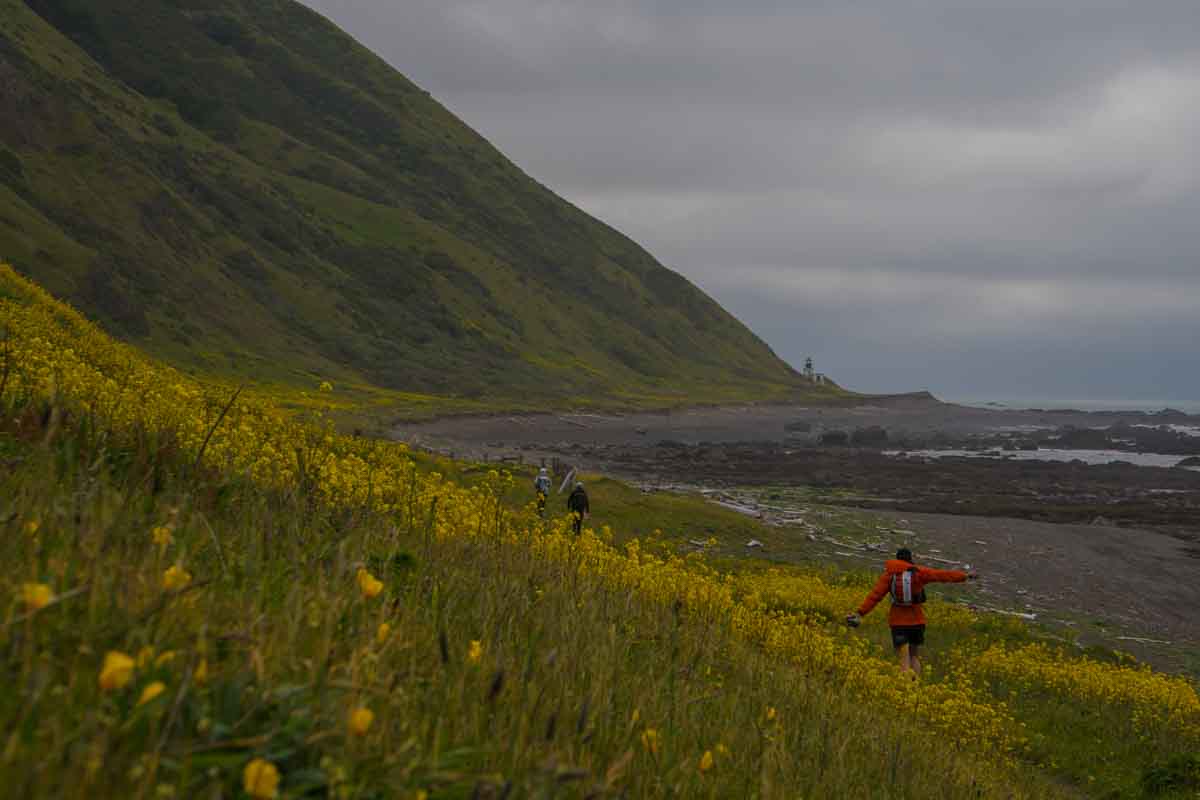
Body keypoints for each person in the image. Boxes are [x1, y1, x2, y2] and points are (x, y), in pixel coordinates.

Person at [846, 547, 976, 675]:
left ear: (897, 559)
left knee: (903, 657)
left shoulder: (889, 575)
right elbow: (941, 575)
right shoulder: (919, 572)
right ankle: (914, 687)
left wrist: (860, 613)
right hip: (917, 621)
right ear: (909, 560)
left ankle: (905, 688)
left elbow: (875, 596)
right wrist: (964, 576)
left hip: (898, 622)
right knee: (914, 656)